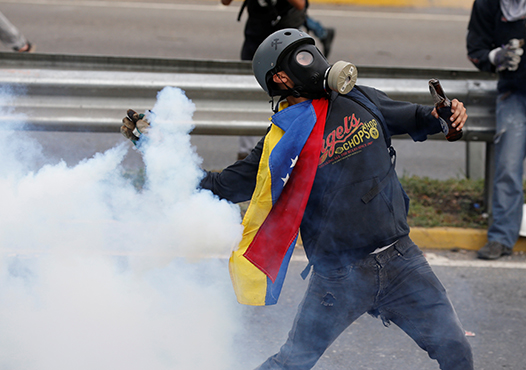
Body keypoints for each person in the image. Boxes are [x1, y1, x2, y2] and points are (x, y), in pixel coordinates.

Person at [121, 28, 473, 369]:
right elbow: (221, 186)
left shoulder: (359, 98)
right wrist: (156, 150)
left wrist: (447, 118)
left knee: (456, 350)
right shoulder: (281, 142)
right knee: (292, 362)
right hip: (338, 276)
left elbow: (418, 118)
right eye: (303, 58)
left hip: (401, 260)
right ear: (281, 79)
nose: (315, 62)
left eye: (313, 52)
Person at [221, 0, 335, 160]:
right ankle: (246, 154)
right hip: (256, 41)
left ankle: (295, 152)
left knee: (294, 94)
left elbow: (300, 4)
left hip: (287, 46)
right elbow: (225, 2)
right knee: (247, 96)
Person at [467, 0, 526, 260]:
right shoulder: (488, 4)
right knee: (508, 167)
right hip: (513, 94)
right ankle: (501, 238)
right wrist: (496, 57)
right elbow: (476, 48)